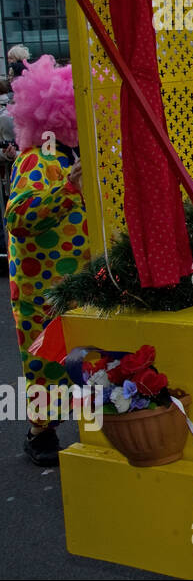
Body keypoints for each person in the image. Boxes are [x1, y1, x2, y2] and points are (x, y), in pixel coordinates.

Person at [7, 56, 88, 465]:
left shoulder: (84, 153)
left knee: (91, 356)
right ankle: (41, 432)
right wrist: (67, 191)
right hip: (44, 285)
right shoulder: (37, 159)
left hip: (86, 278)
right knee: (45, 360)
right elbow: (18, 216)